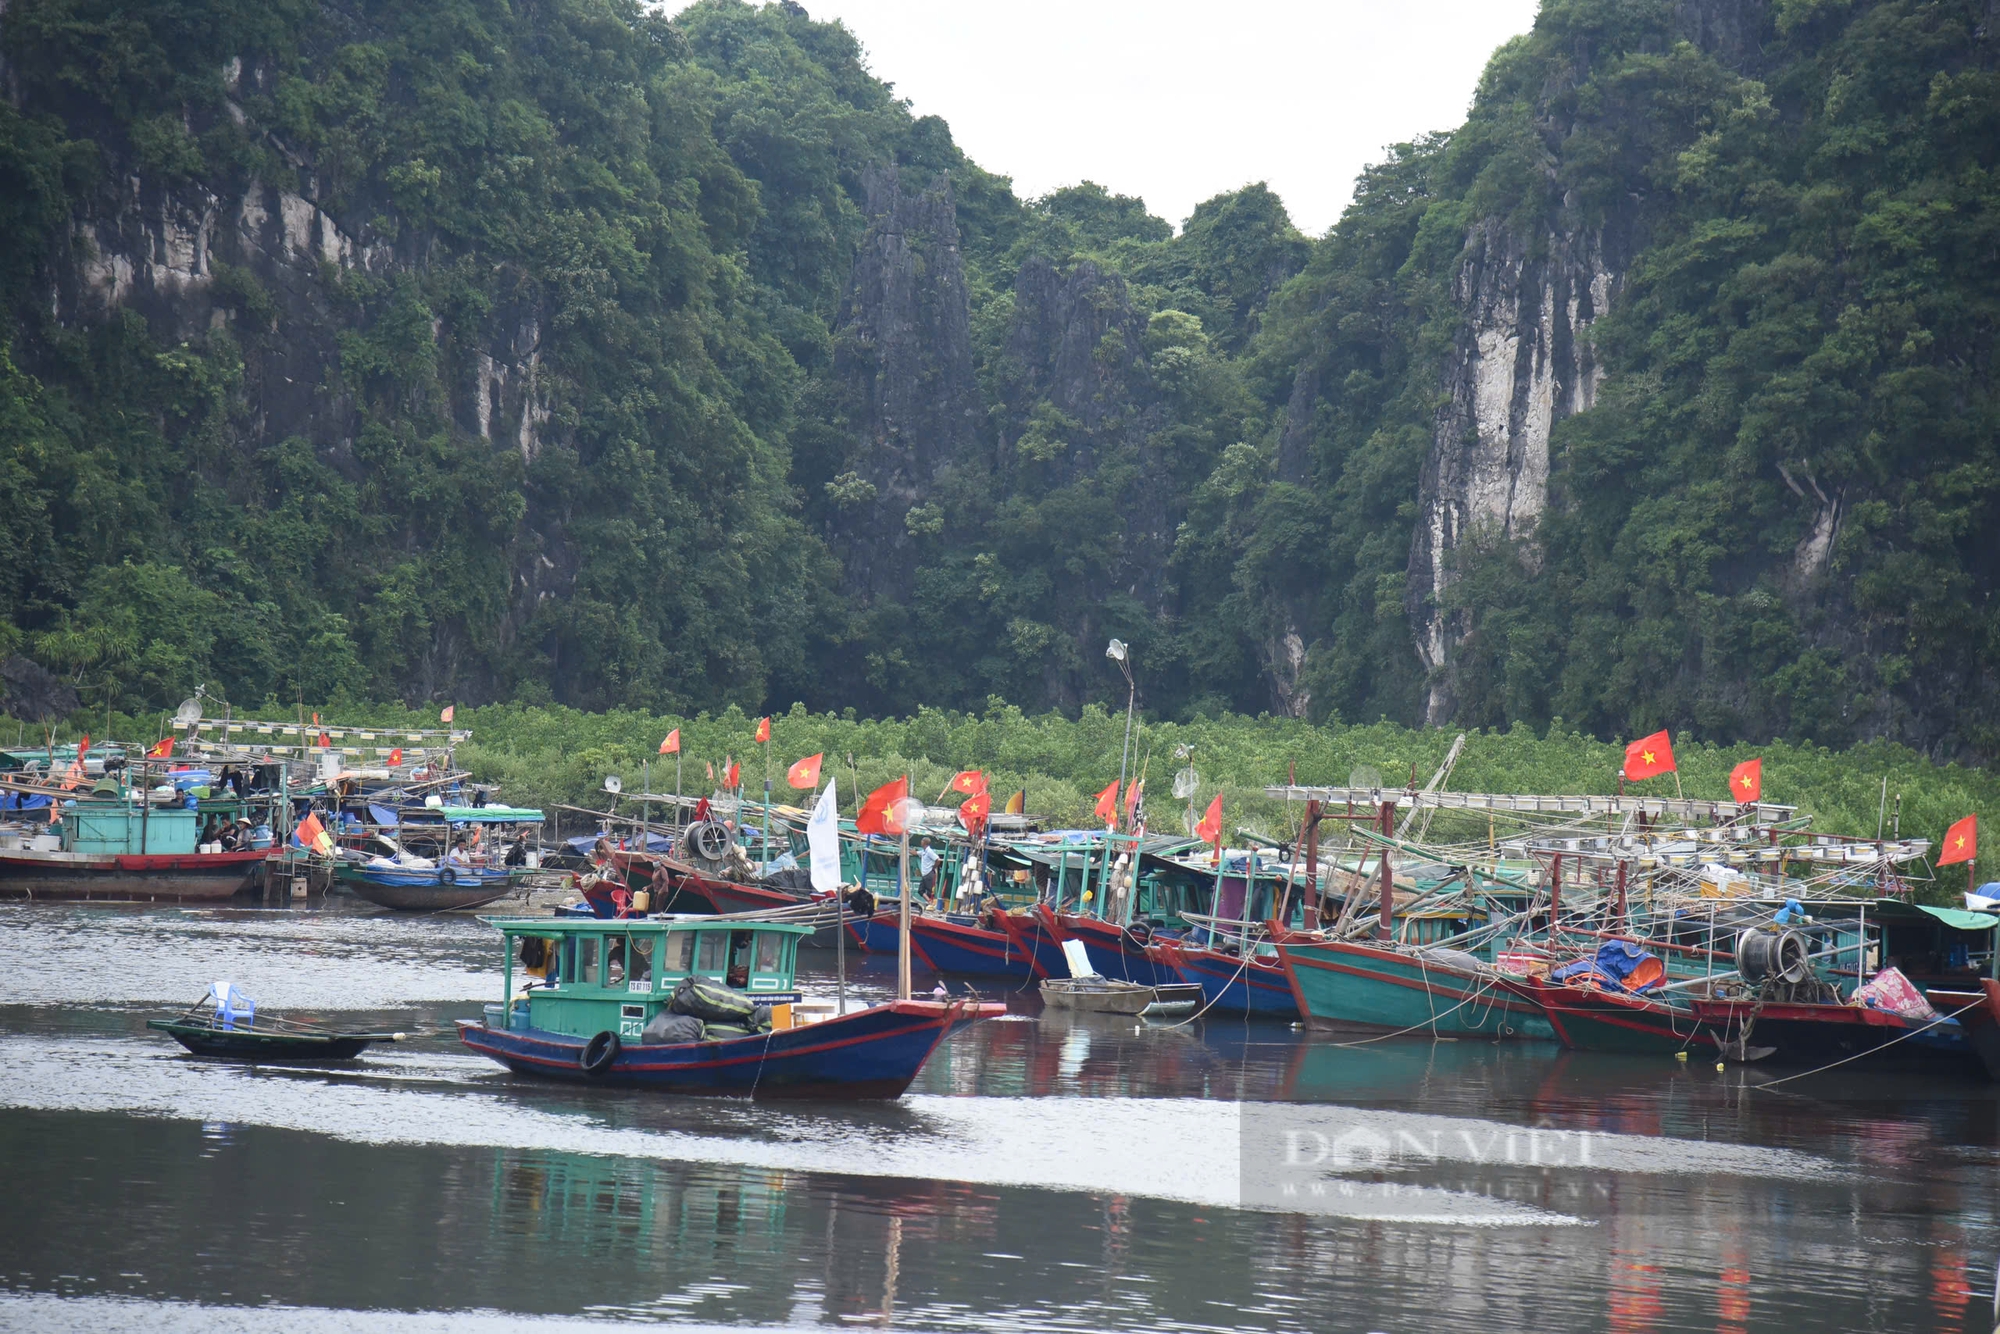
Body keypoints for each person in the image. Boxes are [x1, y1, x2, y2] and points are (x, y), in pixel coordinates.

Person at [918, 838, 940, 903]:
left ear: (924, 842)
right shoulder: (923, 851)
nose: (921, 842)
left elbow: (938, 860)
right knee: (920, 890)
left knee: (930, 891)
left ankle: (931, 903)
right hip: (924, 874)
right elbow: (916, 853)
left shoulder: (929, 851)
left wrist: (934, 867)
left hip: (929, 873)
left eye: (922, 841)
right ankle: (929, 901)